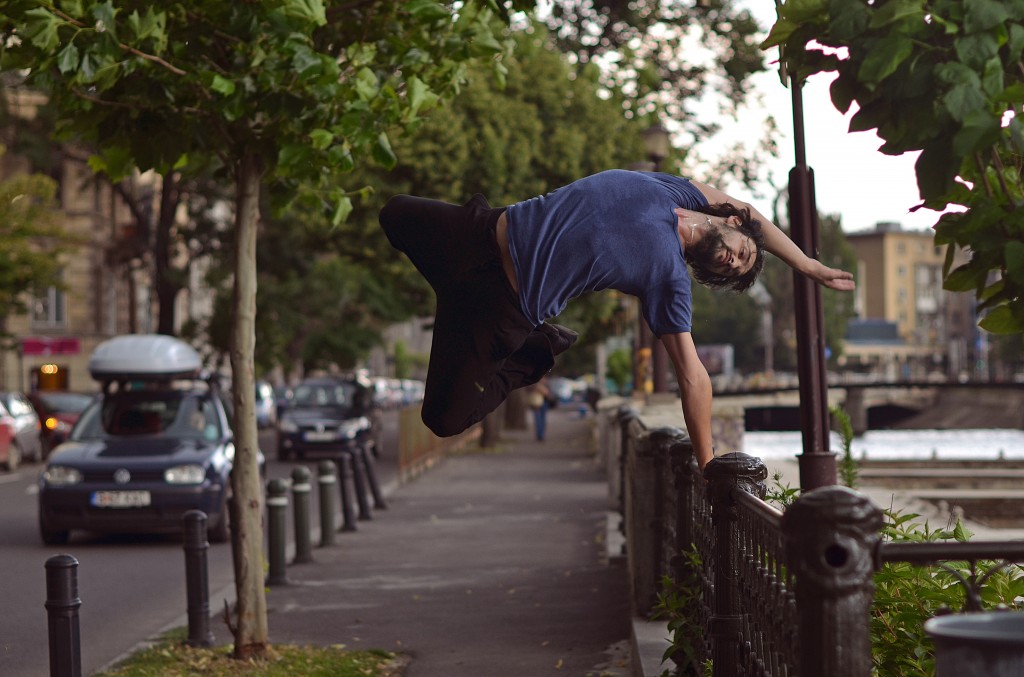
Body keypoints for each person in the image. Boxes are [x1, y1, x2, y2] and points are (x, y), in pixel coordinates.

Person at [379, 169, 853, 470]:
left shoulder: (668, 279)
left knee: (443, 418)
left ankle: (535, 351)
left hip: (499, 306)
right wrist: (807, 265)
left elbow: (693, 376)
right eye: (744, 253)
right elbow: (754, 212)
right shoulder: (673, 188)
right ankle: (519, 335)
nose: (733, 262)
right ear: (732, 221)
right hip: (479, 235)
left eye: (734, 270)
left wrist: (707, 462)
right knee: (394, 213)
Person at [528, 376, 554, 441]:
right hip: (536, 403)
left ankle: (541, 435)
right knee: (538, 420)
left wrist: (544, 391)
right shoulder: (534, 382)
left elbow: (549, 394)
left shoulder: (547, 384)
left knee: (543, 419)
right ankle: (539, 435)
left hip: (545, 403)